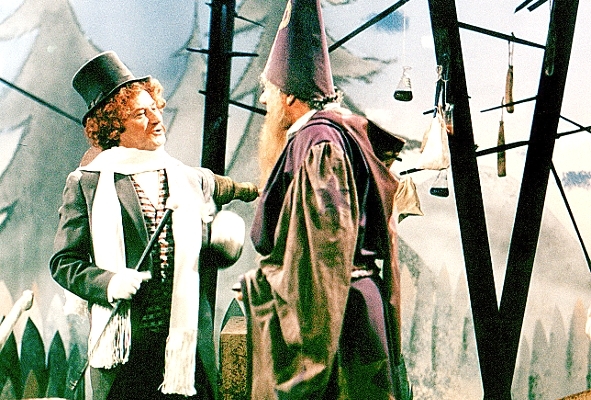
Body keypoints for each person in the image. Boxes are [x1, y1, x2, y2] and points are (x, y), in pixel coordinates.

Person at [49, 51, 258, 400]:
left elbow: (231, 190)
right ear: (113, 125)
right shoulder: (87, 184)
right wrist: (109, 282)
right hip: (126, 356)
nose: (156, 118)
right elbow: (64, 263)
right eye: (140, 114)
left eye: (155, 108)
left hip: (185, 351)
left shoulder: (185, 177)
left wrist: (224, 233)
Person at [239, 0, 405, 399]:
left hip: (334, 322)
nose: (264, 102)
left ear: (290, 97)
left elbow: (326, 254)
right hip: (345, 307)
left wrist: (308, 356)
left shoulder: (319, 143)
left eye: (269, 92)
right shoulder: (332, 136)